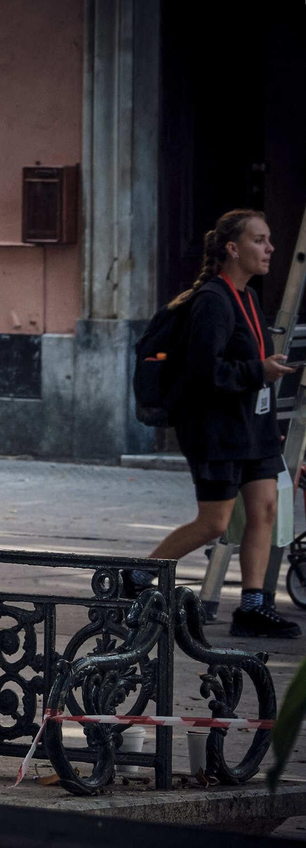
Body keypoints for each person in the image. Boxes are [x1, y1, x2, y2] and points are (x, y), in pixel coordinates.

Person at [128, 209, 298, 639]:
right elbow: (206, 372)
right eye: (260, 240)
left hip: (252, 426)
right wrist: (259, 372)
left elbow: (254, 364)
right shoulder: (211, 300)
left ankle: (253, 608)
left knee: (264, 509)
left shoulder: (249, 297)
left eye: (269, 240)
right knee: (216, 523)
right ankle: (136, 578)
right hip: (215, 429)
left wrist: (267, 404)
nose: (270, 249)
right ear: (232, 248)